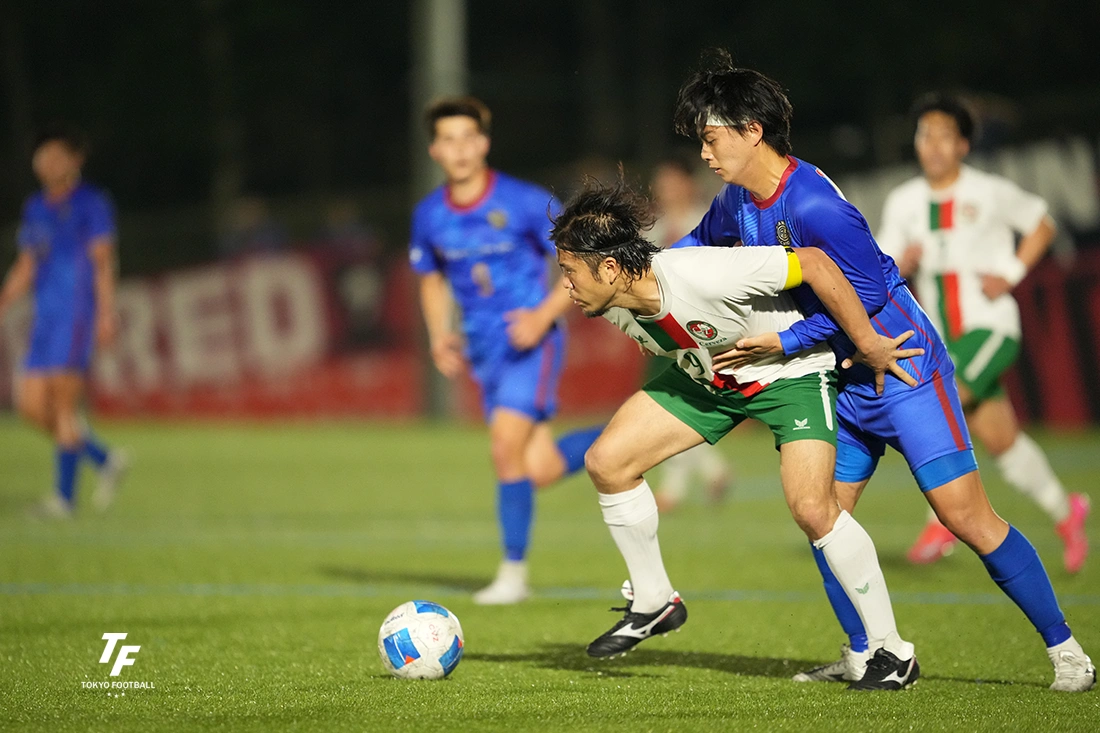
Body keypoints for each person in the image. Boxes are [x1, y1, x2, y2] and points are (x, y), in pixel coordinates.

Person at [671, 53, 1094, 692]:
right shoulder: (737, 200)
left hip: (902, 368)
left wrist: (782, 342)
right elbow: (697, 246)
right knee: (822, 517)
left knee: (965, 517)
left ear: (752, 131)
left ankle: (1067, 652)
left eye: (711, 138)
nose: (704, 153)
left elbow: (866, 296)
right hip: (840, 378)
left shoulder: (815, 204)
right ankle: (867, 653)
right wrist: (644, 269)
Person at [551, 175, 923, 691]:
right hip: (710, 379)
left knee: (813, 509)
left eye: (569, 272)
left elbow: (817, 265)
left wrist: (867, 342)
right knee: (608, 462)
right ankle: (654, 601)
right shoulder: (611, 302)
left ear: (610, 268)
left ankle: (892, 650)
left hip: (789, 375)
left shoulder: (702, 273)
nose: (566, 286)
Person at [877, 93, 1089, 571]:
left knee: (937, 404)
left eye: (944, 137)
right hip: (942, 338)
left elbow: (1042, 224)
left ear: (963, 145)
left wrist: (1010, 273)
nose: (933, 146)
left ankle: (941, 519)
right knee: (1000, 440)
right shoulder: (904, 201)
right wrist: (900, 262)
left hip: (990, 327)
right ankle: (1067, 511)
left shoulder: (988, 191)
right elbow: (882, 263)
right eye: (925, 135)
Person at [409, 96, 602, 605]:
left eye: (468, 138)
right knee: (537, 468)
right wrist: (439, 334)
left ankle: (513, 574)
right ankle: (629, 433)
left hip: (531, 343)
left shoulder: (523, 201)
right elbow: (430, 279)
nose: (459, 149)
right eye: (448, 139)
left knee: (503, 448)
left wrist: (542, 316)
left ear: (484, 144)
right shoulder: (428, 215)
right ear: (434, 150)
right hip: (484, 351)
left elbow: (579, 258)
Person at [0, 124, 129, 517]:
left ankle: (63, 499)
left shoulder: (92, 203)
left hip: (76, 312)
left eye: (57, 156)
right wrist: (4, 299)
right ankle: (103, 459)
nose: (48, 163)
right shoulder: (36, 207)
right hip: (45, 315)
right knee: (30, 406)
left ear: (76, 160)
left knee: (62, 403)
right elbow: (27, 263)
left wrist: (106, 313)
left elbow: (103, 261)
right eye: (43, 156)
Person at [647, 157, 732, 512]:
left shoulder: (707, 221)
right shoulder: (655, 229)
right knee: (674, 402)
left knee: (676, 402)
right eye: (660, 182)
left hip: (701, 328)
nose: (664, 190)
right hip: (663, 330)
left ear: (687, 183)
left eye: (671, 182)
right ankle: (713, 470)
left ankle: (674, 488)